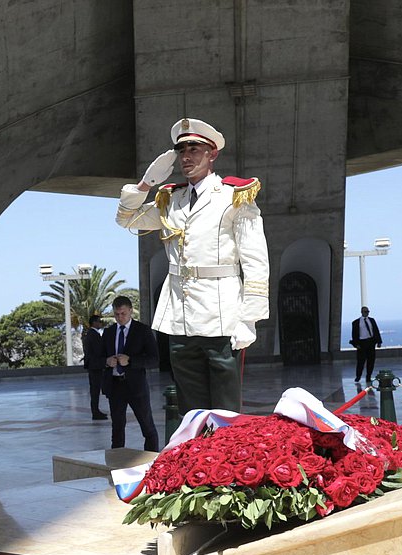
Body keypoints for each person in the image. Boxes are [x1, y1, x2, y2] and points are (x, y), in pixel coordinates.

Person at [115, 118, 269, 414]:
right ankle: (196, 458)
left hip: (221, 315)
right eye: (182, 150)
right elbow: (126, 219)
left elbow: (256, 261)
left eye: (194, 149)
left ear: (212, 154)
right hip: (179, 316)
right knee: (191, 408)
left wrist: (250, 318)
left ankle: (225, 459)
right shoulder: (170, 199)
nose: (186, 156)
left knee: (225, 408)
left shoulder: (234, 197)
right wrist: (146, 184)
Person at [102, 296, 160, 452]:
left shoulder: (142, 330)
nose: (120, 318)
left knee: (147, 426)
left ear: (131, 311)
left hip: (136, 387)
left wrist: (131, 361)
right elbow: (95, 359)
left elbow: (154, 359)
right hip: (115, 386)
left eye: (123, 314)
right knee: (117, 428)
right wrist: (107, 361)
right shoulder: (108, 332)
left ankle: (153, 461)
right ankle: (116, 464)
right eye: (116, 314)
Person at [82, 314, 108, 420]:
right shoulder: (94, 335)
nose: (100, 323)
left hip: (93, 366)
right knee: (95, 390)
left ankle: (96, 411)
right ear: (94, 323)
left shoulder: (91, 334)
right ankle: (95, 412)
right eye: (99, 321)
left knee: (95, 390)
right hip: (96, 366)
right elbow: (98, 351)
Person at [349, 306, 383, 383]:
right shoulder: (356, 322)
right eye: (365, 312)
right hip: (362, 343)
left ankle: (368, 376)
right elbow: (354, 334)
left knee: (371, 361)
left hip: (371, 342)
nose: (367, 313)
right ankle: (358, 376)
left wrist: (379, 342)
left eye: (368, 312)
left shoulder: (372, 320)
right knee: (361, 361)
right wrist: (356, 344)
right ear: (361, 312)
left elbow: (376, 331)